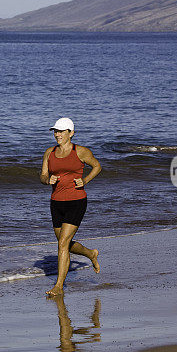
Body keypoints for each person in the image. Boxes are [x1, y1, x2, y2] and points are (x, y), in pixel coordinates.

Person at [40, 117, 101, 296]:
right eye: (55, 131)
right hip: (56, 202)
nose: (57, 134)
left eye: (61, 131)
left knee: (62, 244)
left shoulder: (80, 152)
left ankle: (59, 286)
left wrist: (85, 180)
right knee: (64, 243)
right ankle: (90, 253)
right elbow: (42, 175)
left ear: (71, 133)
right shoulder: (49, 152)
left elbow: (97, 166)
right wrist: (47, 180)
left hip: (76, 201)